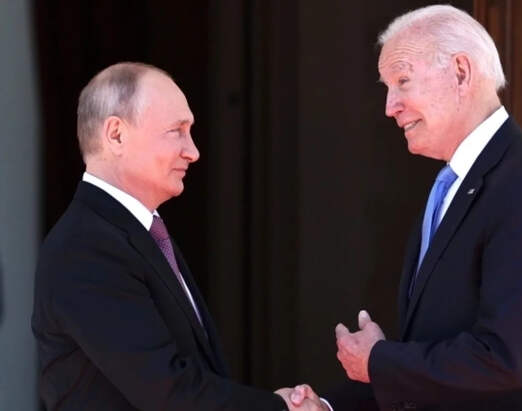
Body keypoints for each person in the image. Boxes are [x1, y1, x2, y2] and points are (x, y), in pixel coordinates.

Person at [325, 5, 522, 411]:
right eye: (388, 87)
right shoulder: (452, 184)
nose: (390, 106)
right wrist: (328, 405)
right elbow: (435, 346)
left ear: (461, 73)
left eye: (403, 81)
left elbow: (502, 359)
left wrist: (378, 361)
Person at [31, 62, 327, 411]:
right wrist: (279, 408)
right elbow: (166, 391)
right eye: (177, 131)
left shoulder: (139, 233)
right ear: (116, 135)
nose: (193, 151)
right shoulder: (85, 248)